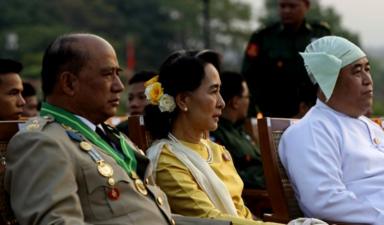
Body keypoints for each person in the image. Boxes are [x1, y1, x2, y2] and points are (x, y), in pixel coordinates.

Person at [4, 33, 231, 225]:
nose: (119, 86)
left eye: (117, 74)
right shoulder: (41, 142)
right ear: (69, 83)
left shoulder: (108, 136)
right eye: (107, 75)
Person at [144, 50, 282, 225]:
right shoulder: (167, 161)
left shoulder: (217, 150)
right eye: (213, 91)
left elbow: (241, 213)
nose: (222, 103)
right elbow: (210, 220)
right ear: (183, 101)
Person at [279, 36, 384, 225]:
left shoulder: (370, 127)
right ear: (330, 79)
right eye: (357, 72)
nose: (368, 80)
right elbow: (323, 200)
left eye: (367, 69)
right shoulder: (311, 130)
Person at [242, 0, 330, 118]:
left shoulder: (320, 35)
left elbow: (330, 75)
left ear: (306, 6)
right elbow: (248, 77)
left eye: (292, 6)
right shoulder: (263, 36)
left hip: (313, 113)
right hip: (273, 114)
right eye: (282, 6)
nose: (286, 10)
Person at [210, 71, 265, 189]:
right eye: (247, 97)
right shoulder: (216, 134)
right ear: (235, 102)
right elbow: (232, 176)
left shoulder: (240, 131)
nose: (249, 101)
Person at [116, 70, 157, 135]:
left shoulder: (174, 132)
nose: (133, 104)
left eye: (142, 97)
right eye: (130, 98)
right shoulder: (119, 134)